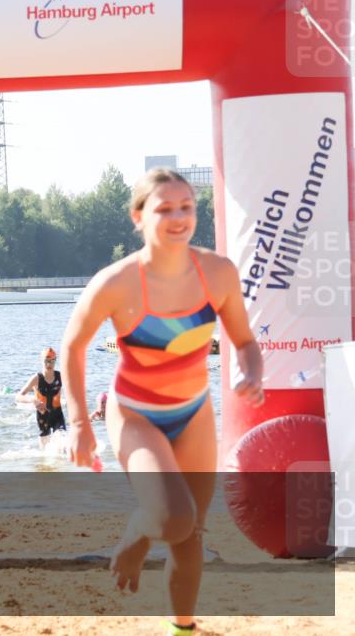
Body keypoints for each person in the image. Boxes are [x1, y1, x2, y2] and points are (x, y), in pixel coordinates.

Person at [60, 167, 263, 635]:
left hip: (192, 412)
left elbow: (245, 342)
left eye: (187, 207)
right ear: (138, 216)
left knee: (190, 534)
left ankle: (182, 628)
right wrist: (78, 424)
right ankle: (135, 536)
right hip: (134, 413)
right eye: (164, 208)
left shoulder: (218, 272)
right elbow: (73, 346)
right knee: (173, 518)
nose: (178, 218)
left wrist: (250, 372)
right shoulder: (117, 282)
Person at [15, 348, 68, 447]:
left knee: (62, 445)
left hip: (58, 415)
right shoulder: (36, 378)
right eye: (46, 361)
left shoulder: (60, 376)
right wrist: (33, 400)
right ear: (42, 361)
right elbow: (18, 396)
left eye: (52, 361)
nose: (49, 364)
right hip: (43, 417)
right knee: (45, 453)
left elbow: (73, 391)